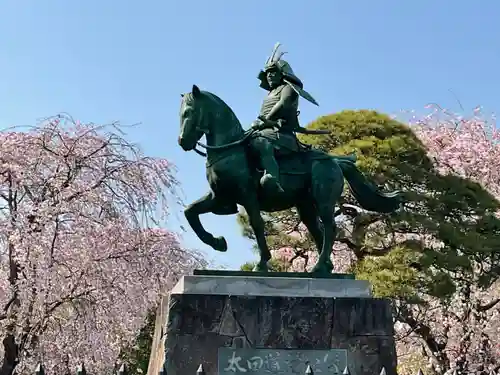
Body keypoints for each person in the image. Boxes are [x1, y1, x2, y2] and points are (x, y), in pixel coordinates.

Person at [250, 43, 319, 195]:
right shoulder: (270, 93)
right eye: (267, 73)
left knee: (261, 142)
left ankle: (273, 178)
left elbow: (283, 104)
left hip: (283, 135)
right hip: (266, 130)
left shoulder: (288, 89)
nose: (269, 76)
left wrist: (265, 120)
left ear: (282, 74)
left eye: (273, 72)